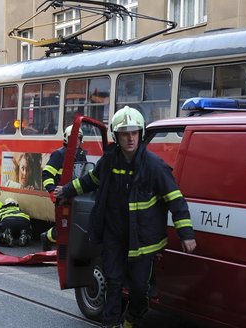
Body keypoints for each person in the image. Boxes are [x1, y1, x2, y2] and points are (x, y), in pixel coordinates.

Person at [54, 106, 197, 328]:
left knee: (140, 290)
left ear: (140, 134)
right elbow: (90, 181)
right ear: (116, 136)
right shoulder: (109, 162)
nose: (130, 138)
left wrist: (186, 233)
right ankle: (111, 324)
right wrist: (66, 191)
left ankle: (131, 318)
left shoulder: (154, 166)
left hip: (143, 241)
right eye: (124, 133)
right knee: (113, 283)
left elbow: (175, 200)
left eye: (134, 133)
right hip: (115, 237)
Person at [40, 125, 87, 251]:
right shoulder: (59, 154)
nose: (76, 141)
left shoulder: (81, 155)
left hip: (76, 195)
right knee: (64, 225)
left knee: (74, 224)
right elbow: (47, 174)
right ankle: (47, 238)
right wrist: (51, 191)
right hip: (62, 196)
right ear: (67, 139)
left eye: (79, 138)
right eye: (73, 138)